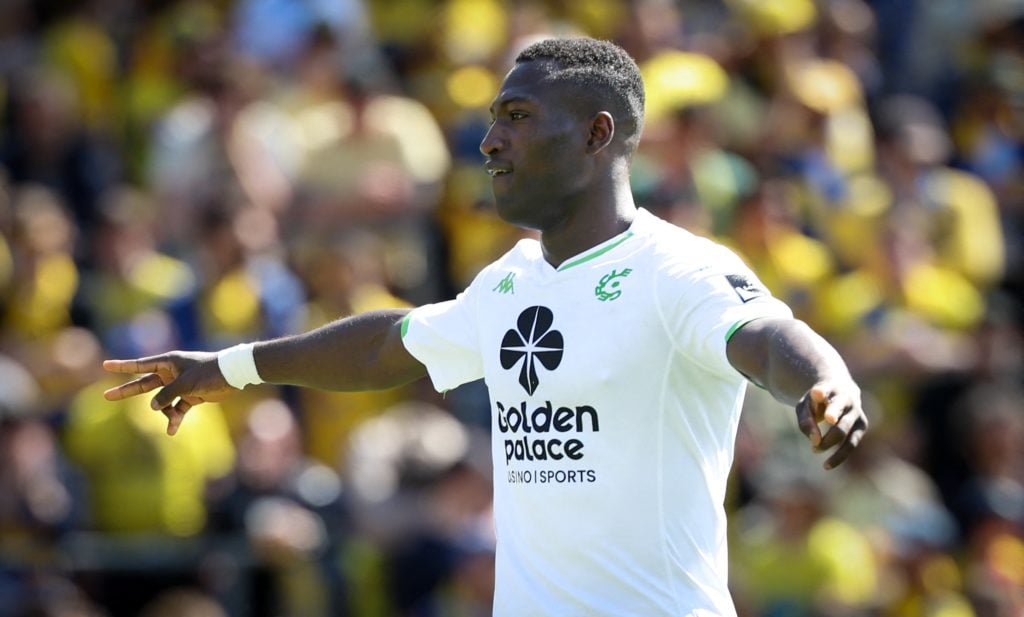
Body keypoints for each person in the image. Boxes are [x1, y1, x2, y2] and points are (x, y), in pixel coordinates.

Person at [103, 37, 869, 617]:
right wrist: (231, 367)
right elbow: (387, 344)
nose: (490, 142)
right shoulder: (510, 280)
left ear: (598, 135)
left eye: (518, 118)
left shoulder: (678, 270)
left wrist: (825, 382)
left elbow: (767, 336)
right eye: (493, 118)